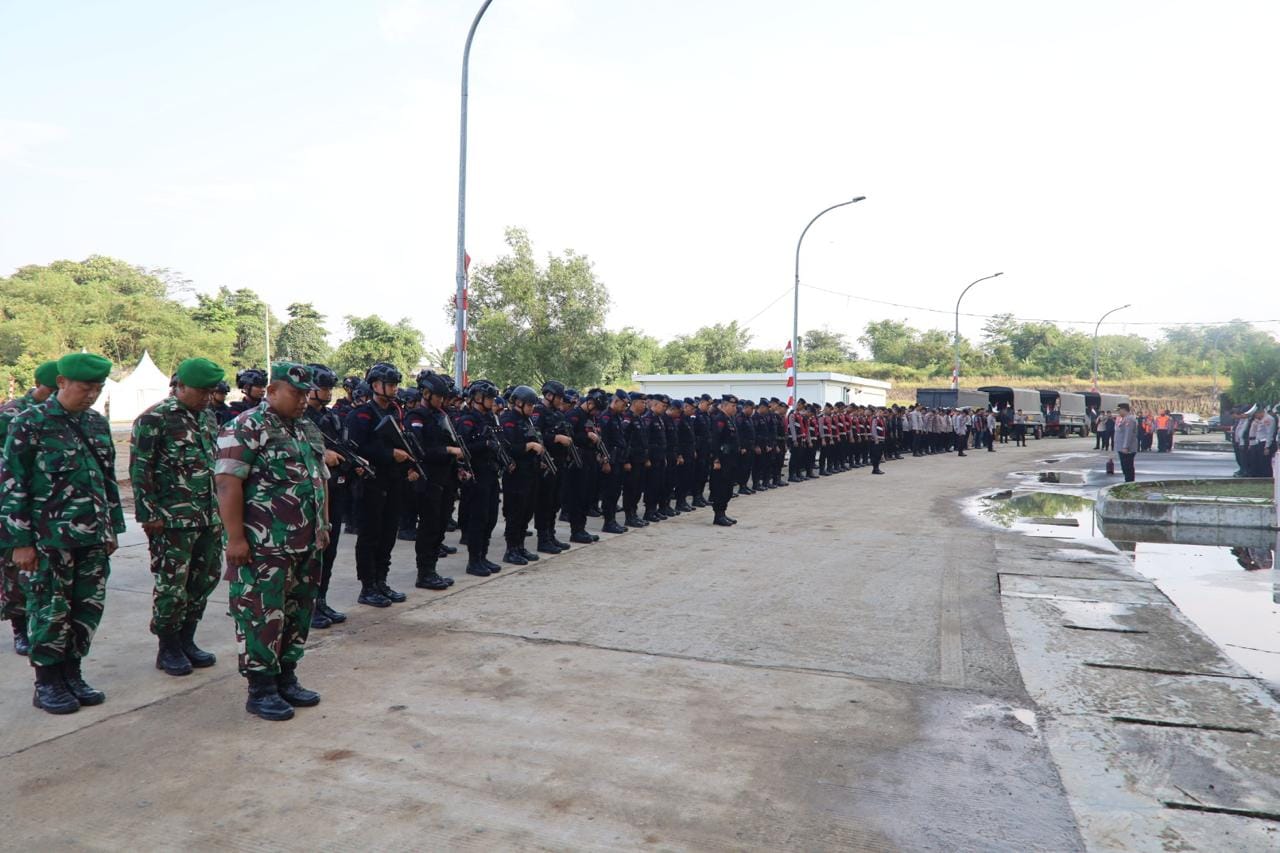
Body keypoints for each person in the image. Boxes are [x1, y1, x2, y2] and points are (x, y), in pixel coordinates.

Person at [2, 353, 125, 715]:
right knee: (49, 611)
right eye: (85, 387)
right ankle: (48, 683)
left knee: (86, 610)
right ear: (61, 383)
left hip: (92, 538)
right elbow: (12, 484)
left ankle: (73, 674)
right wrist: (20, 542)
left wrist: (113, 527)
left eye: (97, 388)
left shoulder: (96, 424)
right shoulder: (30, 423)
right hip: (48, 541)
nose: (91, 395)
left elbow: (107, 481)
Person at [215, 362, 328, 721]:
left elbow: (319, 478)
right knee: (261, 616)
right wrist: (235, 539)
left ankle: (286, 677)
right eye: (296, 394)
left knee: (297, 612)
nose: (303, 401)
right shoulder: (247, 425)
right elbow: (227, 483)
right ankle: (261, 688)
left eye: (306, 394)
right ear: (272, 391)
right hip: (264, 545)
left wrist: (323, 525)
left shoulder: (307, 428)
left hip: (305, 542)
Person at [129, 357, 225, 677]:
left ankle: (187, 639)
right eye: (201, 391)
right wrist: (150, 514)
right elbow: (140, 469)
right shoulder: (154, 419)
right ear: (180, 386)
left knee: (205, 578)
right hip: (172, 520)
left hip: (209, 516)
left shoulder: (208, 418)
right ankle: (167, 646)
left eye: (211, 392)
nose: (208, 398)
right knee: (172, 584)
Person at [0, 359, 58, 656]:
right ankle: (20, 629)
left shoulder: (61, 414)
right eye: (52, 388)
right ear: (41, 386)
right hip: (12, 503)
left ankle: (39, 626)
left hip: (48, 508)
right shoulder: (11, 413)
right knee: (15, 571)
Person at [346, 362, 411, 607]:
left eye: (396, 384)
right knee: (370, 535)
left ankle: (381, 581)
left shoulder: (394, 412)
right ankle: (368, 586)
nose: (395, 389)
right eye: (390, 384)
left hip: (393, 481)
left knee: (387, 535)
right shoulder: (362, 414)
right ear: (375, 385)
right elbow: (357, 447)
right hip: (371, 483)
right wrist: (389, 454)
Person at [301, 363, 352, 627]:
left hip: (333, 491)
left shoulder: (331, 417)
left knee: (328, 552)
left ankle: (321, 601)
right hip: (310, 495)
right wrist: (323, 456)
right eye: (323, 388)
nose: (328, 393)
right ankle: (307, 607)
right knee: (313, 554)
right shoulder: (299, 418)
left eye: (330, 388)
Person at [403, 370, 464, 587]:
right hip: (428, 479)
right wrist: (447, 450)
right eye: (438, 396)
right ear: (427, 394)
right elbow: (419, 449)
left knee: (440, 526)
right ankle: (424, 573)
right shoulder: (416, 416)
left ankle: (432, 569)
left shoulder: (442, 415)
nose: (442, 401)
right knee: (429, 527)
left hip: (445, 478)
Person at [455, 381, 503, 574]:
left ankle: (483, 555)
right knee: (478, 518)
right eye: (489, 398)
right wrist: (484, 445)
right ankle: (474, 560)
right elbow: (463, 449)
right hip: (476, 474)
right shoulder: (467, 420)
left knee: (490, 517)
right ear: (477, 398)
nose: (492, 402)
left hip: (490, 473)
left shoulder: (490, 418)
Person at [499, 385, 545, 564]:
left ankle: (520, 546)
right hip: (516, 473)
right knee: (515, 512)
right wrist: (530, 446)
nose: (532, 409)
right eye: (529, 405)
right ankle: (511, 549)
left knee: (527, 511)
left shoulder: (527, 420)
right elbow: (509, 447)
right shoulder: (509, 419)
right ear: (518, 403)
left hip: (530, 471)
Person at [707, 394, 740, 526]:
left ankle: (723, 513)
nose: (735, 408)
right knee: (720, 487)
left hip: (730, 459)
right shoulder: (719, 419)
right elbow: (715, 441)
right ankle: (718, 515)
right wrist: (716, 460)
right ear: (725, 405)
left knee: (727, 488)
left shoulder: (729, 419)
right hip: (721, 460)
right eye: (733, 406)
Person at [1113, 402, 1138, 482]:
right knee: (1125, 467)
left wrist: (1125, 447)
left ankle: (1129, 483)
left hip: (1127, 449)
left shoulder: (1129, 419)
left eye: (1119, 410)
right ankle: (1128, 481)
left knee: (1128, 467)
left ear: (1124, 410)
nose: (1118, 412)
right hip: (1121, 447)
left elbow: (1128, 434)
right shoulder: (1123, 419)